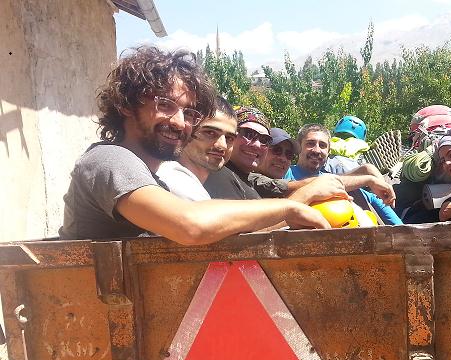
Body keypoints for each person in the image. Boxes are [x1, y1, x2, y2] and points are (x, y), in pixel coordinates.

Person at [59, 46, 329, 244]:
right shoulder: (110, 160)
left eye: (189, 113)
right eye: (164, 105)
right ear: (126, 105)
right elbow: (190, 225)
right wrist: (289, 207)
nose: (179, 122)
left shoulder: (160, 179)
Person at [288, 124, 403, 225]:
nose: (317, 150)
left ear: (328, 152)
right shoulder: (285, 173)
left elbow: (375, 200)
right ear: (299, 147)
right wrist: (368, 179)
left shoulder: (342, 184)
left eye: (322, 145)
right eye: (310, 143)